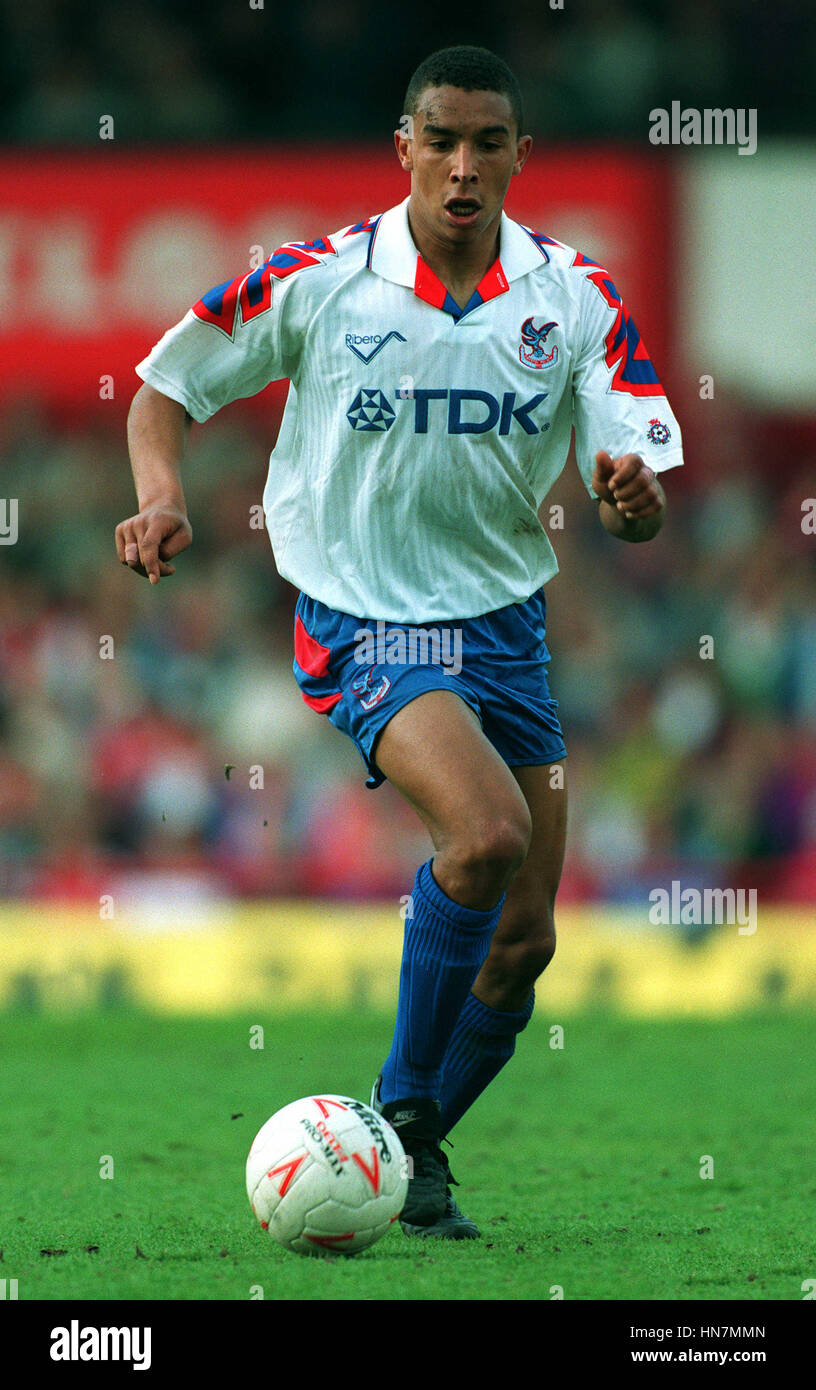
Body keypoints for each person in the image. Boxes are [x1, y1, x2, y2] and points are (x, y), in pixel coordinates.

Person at [117, 45, 683, 1240]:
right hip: (362, 611)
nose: (464, 165)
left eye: (489, 142)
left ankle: (399, 1142)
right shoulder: (321, 278)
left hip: (505, 624)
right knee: (483, 837)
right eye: (443, 140)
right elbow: (160, 388)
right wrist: (162, 495)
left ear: (522, 156)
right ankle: (401, 1127)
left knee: (525, 938)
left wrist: (636, 502)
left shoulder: (580, 298)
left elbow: (638, 476)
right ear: (405, 149)